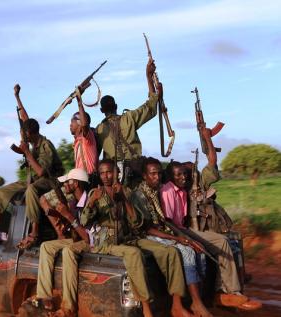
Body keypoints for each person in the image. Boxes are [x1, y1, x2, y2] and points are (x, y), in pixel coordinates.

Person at [163, 127, 261, 311]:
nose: (186, 175)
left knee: (231, 242)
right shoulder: (173, 190)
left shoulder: (196, 186)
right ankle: (224, 293)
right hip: (188, 230)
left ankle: (232, 288)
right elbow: (172, 221)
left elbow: (212, 162)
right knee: (217, 245)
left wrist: (207, 138)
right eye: (182, 172)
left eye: (188, 172)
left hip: (204, 228)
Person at [83, 159, 191, 317]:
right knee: (134, 254)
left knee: (170, 252)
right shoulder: (96, 193)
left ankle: (176, 304)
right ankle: (146, 307)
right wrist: (92, 201)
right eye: (102, 173)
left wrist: (124, 200)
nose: (106, 176)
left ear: (117, 174)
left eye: (109, 172)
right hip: (107, 242)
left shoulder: (127, 191)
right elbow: (85, 222)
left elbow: (137, 223)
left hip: (129, 237)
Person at [0, 84, 64, 248]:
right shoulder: (31, 138)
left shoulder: (45, 145)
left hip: (50, 180)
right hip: (32, 179)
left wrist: (27, 152)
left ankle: (34, 231)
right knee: (1, 193)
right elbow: (24, 118)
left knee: (31, 190)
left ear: (33, 134)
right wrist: (17, 97)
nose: (25, 138)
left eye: (27, 136)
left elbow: (42, 172)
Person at [131, 157, 210, 317]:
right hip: (148, 235)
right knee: (186, 251)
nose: (157, 177)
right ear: (145, 176)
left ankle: (198, 299)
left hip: (165, 232)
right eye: (153, 174)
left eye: (159, 174)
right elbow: (148, 229)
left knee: (198, 248)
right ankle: (189, 303)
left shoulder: (157, 190)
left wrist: (181, 236)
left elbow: (167, 220)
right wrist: (176, 238)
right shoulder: (139, 196)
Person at [31, 168, 90, 317]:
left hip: (90, 239)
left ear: (76, 183)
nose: (66, 186)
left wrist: (68, 216)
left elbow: (88, 235)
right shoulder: (72, 202)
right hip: (78, 237)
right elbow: (74, 226)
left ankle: (69, 307)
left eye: (68, 183)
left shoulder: (90, 200)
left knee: (68, 251)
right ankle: (44, 295)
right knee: (46, 246)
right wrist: (64, 221)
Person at [95, 59, 159, 162]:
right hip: (134, 167)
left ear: (101, 110)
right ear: (116, 106)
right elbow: (151, 105)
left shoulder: (99, 130)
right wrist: (149, 76)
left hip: (112, 173)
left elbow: (94, 153)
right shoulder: (129, 118)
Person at [70, 87, 98, 181]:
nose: (70, 125)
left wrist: (79, 101)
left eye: (72, 122)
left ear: (79, 123)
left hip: (89, 179)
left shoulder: (87, 137)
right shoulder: (77, 142)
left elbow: (85, 124)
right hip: (80, 179)